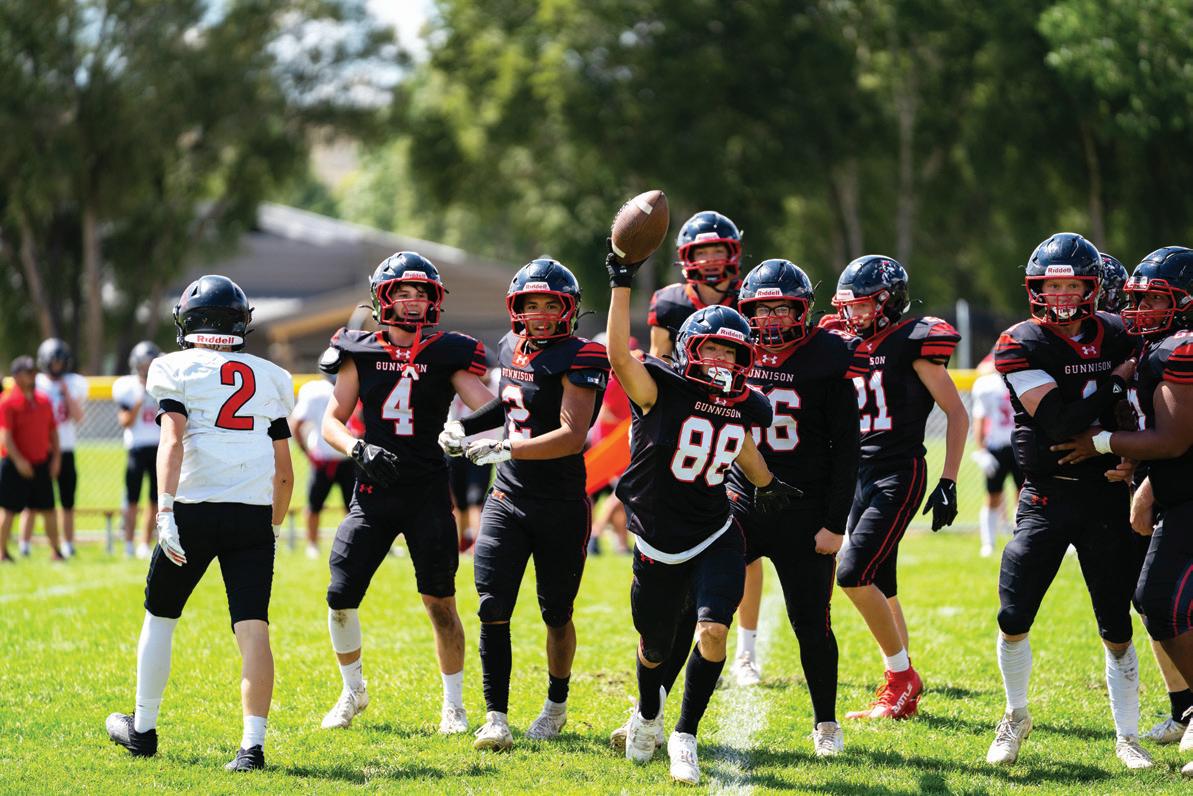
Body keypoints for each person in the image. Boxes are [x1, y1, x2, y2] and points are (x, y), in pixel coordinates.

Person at [606, 250, 797, 785]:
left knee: (713, 631)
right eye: (711, 347)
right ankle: (648, 715)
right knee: (655, 646)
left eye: (730, 351)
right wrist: (621, 283)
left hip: (715, 532)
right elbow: (619, 356)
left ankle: (684, 736)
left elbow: (738, 443)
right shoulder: (659, 389)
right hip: (656, 540)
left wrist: (767, 484)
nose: (720, 359)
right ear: (690, 348)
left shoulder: (744, 403)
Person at [104, 274, 294, 771]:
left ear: (189, 322)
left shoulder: (175, 367)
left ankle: (143, 729)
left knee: (160, 617)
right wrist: (273, 527)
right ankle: (252, 748)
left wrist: (164, 511)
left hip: (194, 509)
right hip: (252, 513)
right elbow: (285, 471)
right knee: (253, 628)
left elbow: (171, 442)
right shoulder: (271, 376)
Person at [985, 233, 1150, 769]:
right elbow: (1059, 423)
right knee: (1013, 613)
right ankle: (1015, 714)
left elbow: (1146, 406)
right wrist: (1114, 382)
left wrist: (1129, 454)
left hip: (1106, 492)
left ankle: (1127, 735)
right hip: (1046, 494)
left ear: (1091, 287)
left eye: (1070, 286)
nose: (1059, 296)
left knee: (1116, 624)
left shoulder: (1121, 332)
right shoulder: (1021, 341)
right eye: (1050, 286)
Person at [318, 251, 494, 738]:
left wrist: (461, 430)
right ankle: (353, 690)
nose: (413, 302)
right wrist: (358, 448)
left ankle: (453, 705)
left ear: (434, 300)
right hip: (373, 491)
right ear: (383, 298)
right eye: (403, 292)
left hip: (427, 493)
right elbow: (331, 422)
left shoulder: (447, 351)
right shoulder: (358, 349)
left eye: (421, 293)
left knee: (440, 602)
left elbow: (491, 409)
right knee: (339, 595)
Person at [440, 257, 608, 751]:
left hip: (560, 503)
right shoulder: (509, 346)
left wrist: (506, 447)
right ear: (516, 307)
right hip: (507, 497)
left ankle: (556, 705)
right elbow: (509, 406)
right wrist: (465, 427)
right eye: (531, 304)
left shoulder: (583, 356)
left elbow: (572, 436)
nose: (540, 314)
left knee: (556, 613)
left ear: (569, 309)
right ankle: (496, 717)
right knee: (492, 605)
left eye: (550, 305)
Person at [1051, 245, 1193, 775]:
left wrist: (1103, 443)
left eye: (1154, 299)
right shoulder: (1154, 346)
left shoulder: (1179, 348)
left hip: (1184, 489)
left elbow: (1174, 438)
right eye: (1137, 298)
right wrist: (1140, 471)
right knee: (1157, 601)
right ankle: (1185, 710)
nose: (1138, 310)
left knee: (1160, 598)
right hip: (1173, 488)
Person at [726, 258, 866, 755]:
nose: (772, 320)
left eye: (783, 309)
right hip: (741, 501)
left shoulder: (828, 356)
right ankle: (655, 715)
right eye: (762, 310)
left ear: (803, 310)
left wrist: (834, 523)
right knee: (696, 610)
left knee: (812, 623)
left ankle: (826, 723)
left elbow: (847, 449)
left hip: (804, 510)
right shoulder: (732, 351)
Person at [831, 255, 968, 721]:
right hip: (858, 474)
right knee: (882, 583)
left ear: (889, 302)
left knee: (852, 572)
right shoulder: (845, 343)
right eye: (849, 306)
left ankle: (901, 678)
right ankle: (900, 690)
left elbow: (956, 412)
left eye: (863, 305)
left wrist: (949, 480)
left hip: (897, 471)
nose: (854, 315)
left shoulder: (913, 340)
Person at [646, 211, 766, 686]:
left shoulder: (749, 298)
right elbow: (657, 364)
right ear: (686, 258)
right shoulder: (669, 302)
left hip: (735, 423)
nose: (713, 260)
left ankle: (745, 650)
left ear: (733, 253)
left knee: (743, 542)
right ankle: (685, 638)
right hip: (684, 431)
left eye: (719, 250)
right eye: (703, 251)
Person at [289, 368, 356, 559]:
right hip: (325, 459)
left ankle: (352, 545)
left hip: (348, 457)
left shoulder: (352, 387)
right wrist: (308, 452)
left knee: (354, 508)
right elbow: (296, 423)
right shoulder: (317, 391)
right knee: (314, 505)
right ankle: (312, 545)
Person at [28, 338, 86, 558]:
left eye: (60, 362)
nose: (57, 366)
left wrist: (66, 393)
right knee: (33, 501)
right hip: (41, 448)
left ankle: (68, 544)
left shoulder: (73, 383)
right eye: (53, 362)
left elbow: (79, 417)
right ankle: (24, 544)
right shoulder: (36, 382)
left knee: (67, 501)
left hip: (66, 447)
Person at [0, 356, 61, 562]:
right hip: (14, 465)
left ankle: (56, 551)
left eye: (34, 372)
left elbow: (53, 432)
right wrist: (19, 461)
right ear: (16, 376)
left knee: (48, 509)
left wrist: (56, 458)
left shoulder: (43, 400)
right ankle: (2, 553)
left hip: (40, 462)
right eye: (28, 373)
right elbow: (6, 437)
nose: (32, 376)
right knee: (8, 510)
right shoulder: (7, 402)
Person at [112, 342, 163, 558]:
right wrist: (139, 400)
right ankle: (128, 543)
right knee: (132, 499)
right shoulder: (128, 386)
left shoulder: (163, 385)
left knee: (155, 499)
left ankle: (144, 543)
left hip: (159, 447)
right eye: (144, 364)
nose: (147, 368)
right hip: (137, 447)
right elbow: (125, 422)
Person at [970, 353, 1022, 557]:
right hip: (997, 446)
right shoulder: (987, 384)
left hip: (1019, 445)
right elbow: (979, 419)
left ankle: (1020, 539)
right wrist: (981, 450)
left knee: (1023, 495)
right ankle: (988, 543)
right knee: (992, 496)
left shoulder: (1022, 379)